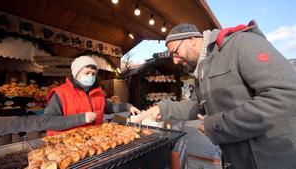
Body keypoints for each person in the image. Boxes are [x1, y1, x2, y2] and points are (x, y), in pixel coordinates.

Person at [137, 21, 296, 169]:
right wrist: (160, 109)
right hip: (238, 160)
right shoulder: (203, 67)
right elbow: (197, 105)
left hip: (270, 160)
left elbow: (285, 93)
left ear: (192, 39)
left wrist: (217, 125)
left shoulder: (241, 44)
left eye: (175, 52)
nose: (175, 61)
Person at [42, 56, 141, 136]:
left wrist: (128, 106)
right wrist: (82, 118)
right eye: (87, 73)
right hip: (66, 145)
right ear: (76, 73)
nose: (90, 76)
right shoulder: (60, 93)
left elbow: (109, 107)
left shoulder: (97, 92)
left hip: (92, 141)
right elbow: (48, 121)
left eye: (93, 74)